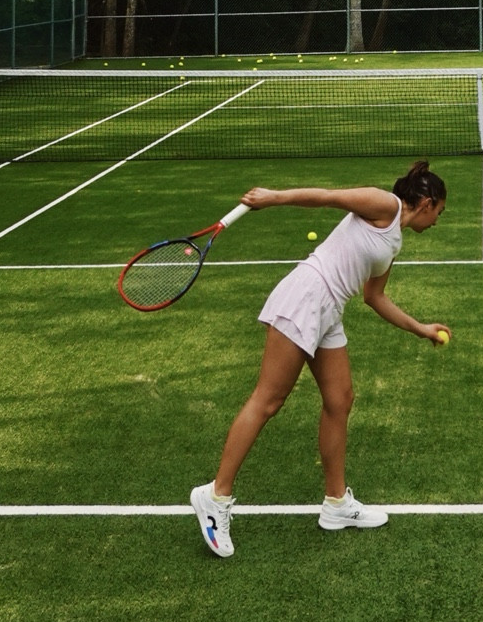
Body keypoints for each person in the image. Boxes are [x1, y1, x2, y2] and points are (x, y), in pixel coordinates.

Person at [190, 161, 449, 558]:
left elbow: (374, 296)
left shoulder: (394, 239)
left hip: (330, 310)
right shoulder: (385, 204)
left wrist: (421, 328)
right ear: (427, 203)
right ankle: (216, 496)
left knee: (340, 400)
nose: (437, 222)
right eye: (440, 213)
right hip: (307, 294)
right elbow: (328, 198)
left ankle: (336, 505)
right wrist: (274, 198)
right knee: (268, 400)